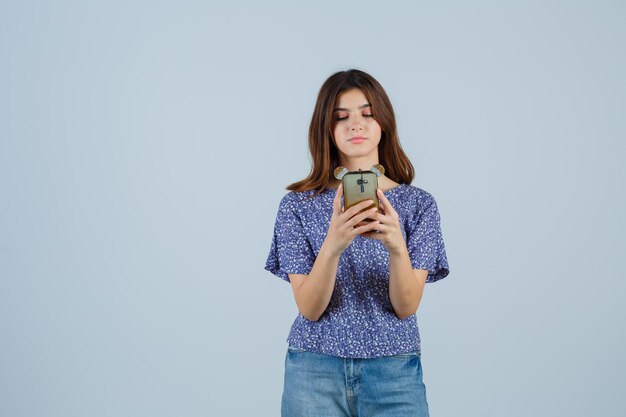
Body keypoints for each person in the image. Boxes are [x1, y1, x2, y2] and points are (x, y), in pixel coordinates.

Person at [264, 69, 451, 417]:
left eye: (367, 113)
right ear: (326, 129)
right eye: (341, 117)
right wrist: (333, 244)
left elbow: (406, 307)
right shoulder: (297, 206)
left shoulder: (419, 205)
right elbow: (310, 308)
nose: (356, 125)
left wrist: (396, 246)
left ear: (384, 123)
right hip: (313, 369)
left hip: (394, 370)